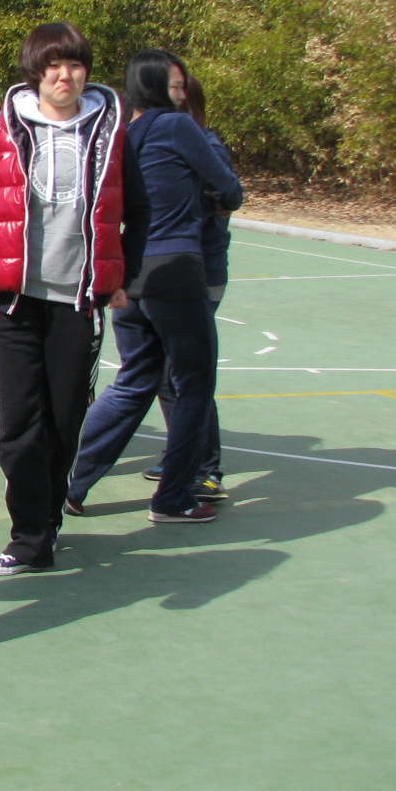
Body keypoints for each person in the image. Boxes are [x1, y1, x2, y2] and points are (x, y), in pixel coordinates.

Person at [0, 22, 150, 577]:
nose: (65, 76)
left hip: (79, 300)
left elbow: (138, 211)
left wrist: (123, 274)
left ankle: (46, 524)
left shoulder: (110, 131)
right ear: (35, 73)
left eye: (74, 65)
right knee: (20, 426)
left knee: (64, 422)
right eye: (53, 66)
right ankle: (27, 538)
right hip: (18, 300)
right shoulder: (9, 129)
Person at [63, 53, 242, 522]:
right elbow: (230, 188)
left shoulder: (121, 133)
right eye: (176, 86)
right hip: (176, 270)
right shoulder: (178, 127)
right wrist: (215, 199)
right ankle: (174, 497)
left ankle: (67, 483)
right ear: (158, 86)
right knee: (193, 386)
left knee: (133, 381)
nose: (182, 95)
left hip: (130, 273)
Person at [142, 72, 230, 496]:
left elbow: (225, 199)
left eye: (178, 95)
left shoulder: (205, 145)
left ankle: (206, 468)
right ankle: (182, 455)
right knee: (165, 375)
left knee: (187, 374)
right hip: (169, 271)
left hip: (200, 273)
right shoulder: (163, 142)